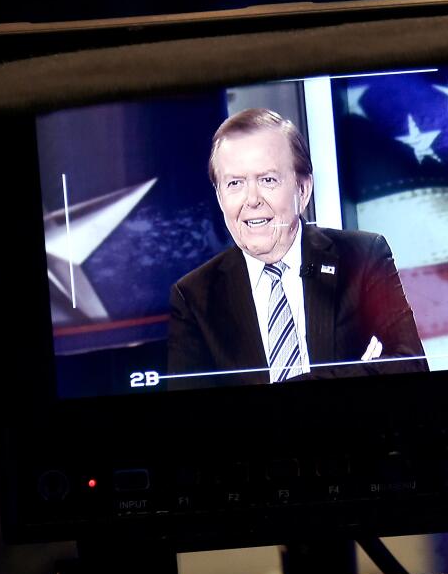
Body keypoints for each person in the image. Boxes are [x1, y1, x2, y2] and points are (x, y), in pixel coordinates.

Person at [167, 108, 427, 385]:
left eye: (268, 180)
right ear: (220, 198)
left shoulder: (362, 257)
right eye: (235, 183)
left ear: (303, 190)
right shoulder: (193, 296)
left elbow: (410, 366)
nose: (251, 199)